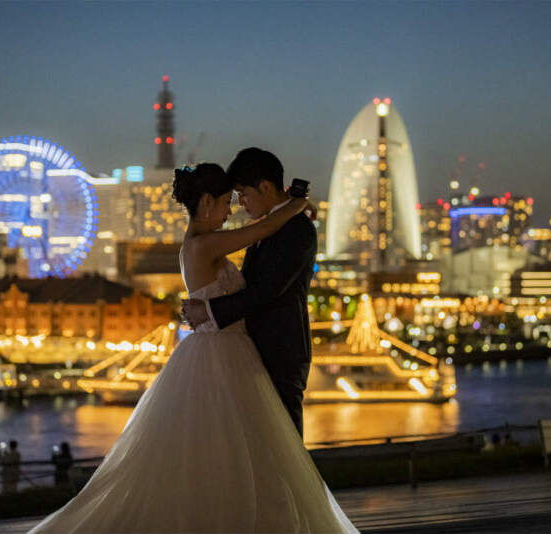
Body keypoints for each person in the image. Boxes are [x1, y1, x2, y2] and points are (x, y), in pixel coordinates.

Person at [27, 162, 357, 533]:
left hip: (230, 351)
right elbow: (263, 228)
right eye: (225, 202)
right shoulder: (204, 244)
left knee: (234, 447)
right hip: (224, 355)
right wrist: (296, 206)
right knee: (248, 446)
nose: (230, 210)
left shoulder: (201, 243)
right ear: (205, 202)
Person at [183, 147, 317, 436]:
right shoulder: (266, 227)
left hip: (281, 351)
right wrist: (299, 202)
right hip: (250, 352)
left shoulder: (297, 229)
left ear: (266, 187)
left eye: (242, 194)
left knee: (287, 444)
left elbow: (268, 291)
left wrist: (208, 311)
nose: (239, 204)